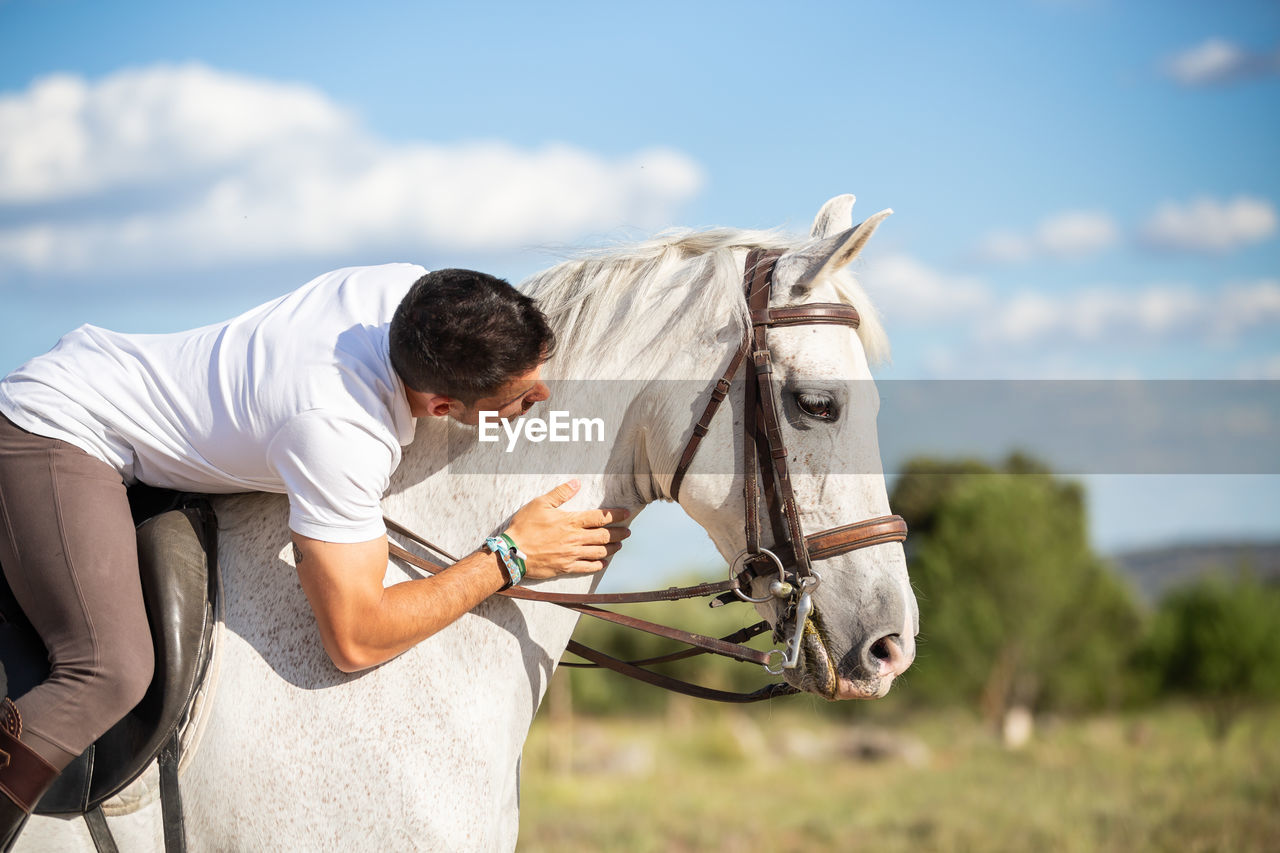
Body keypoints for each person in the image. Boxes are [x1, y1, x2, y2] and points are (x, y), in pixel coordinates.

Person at [0, 263, 630, 845]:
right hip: (57, 428)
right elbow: (354, 638)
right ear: (440, 407)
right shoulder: (338, 429)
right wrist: (506, 559)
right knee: (108, 670)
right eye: (519, 397)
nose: (543, 396)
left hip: (124, 398)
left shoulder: (417, 299)